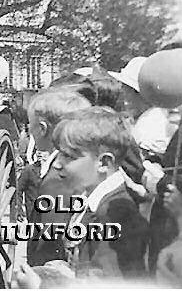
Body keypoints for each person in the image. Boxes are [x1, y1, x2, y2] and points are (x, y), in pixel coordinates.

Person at [51, 107, 149, 280]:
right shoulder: (89, 201)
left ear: (104, 162)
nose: (57, 164)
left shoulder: (115, 214)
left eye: (68, 156)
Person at [14, 89, 91, 266]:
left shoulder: (57, 178)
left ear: (42, 129)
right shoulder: (76, 165)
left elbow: (50, 237)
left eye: (30, 124)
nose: (29, 130)